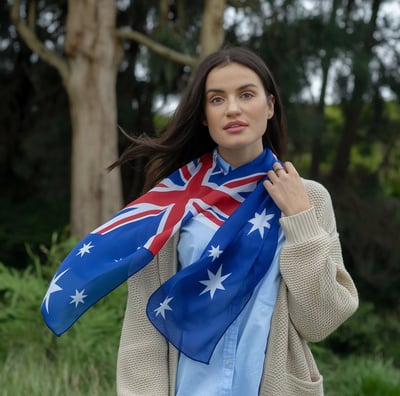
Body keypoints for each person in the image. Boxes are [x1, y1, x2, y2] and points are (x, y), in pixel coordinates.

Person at [112, 46, 359, 396]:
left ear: (270, 106)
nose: (232, 109)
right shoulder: (172, 200)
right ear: (203, 115)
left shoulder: (308, 199)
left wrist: (300, 219)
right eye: (216, 99)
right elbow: (143, 327)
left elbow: (321, 320)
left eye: (246, 94)